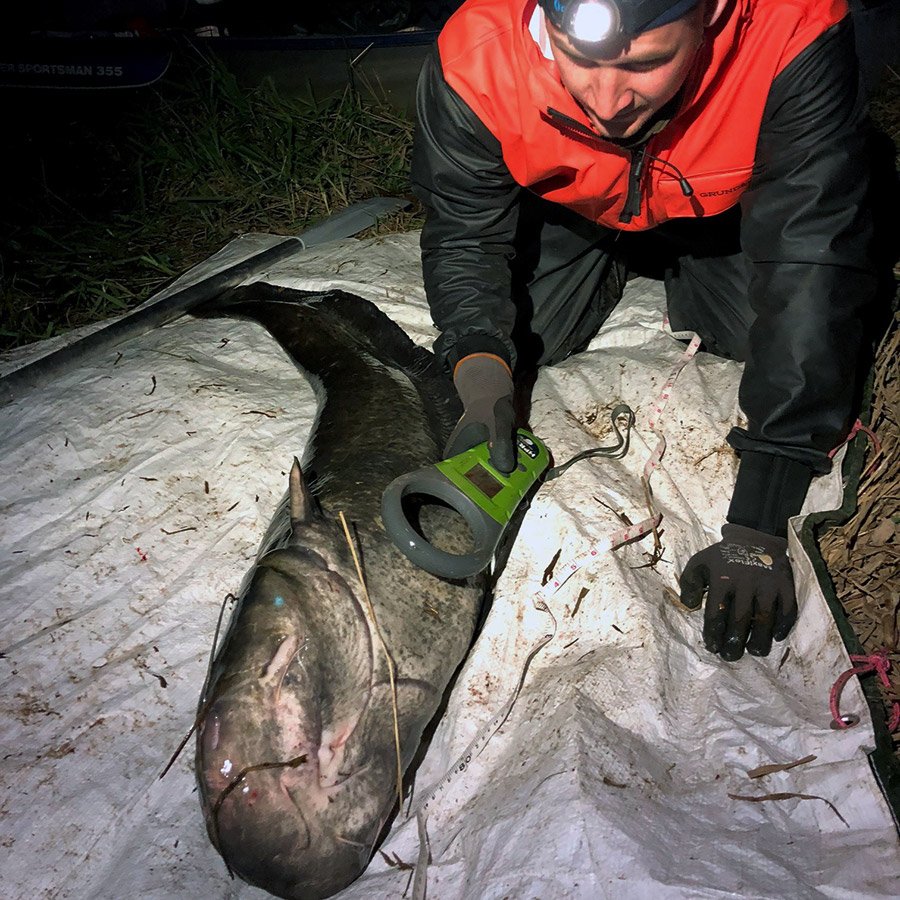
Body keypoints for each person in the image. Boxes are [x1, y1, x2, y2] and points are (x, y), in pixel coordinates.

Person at [410, 0, 879, 661]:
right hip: (577, 210)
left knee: (762, 338)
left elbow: (816, 262)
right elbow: (463, 236)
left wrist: (762, 509)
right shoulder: (478, 51)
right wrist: (482, 378)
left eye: (648, 62)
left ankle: (680, 265)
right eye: (578, 57)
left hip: (722, 210)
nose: (606, 101)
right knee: (523, 340)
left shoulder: (793, 27)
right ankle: (612, 257)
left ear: (712, 11)